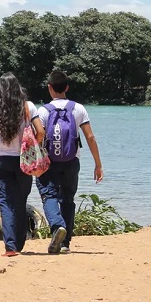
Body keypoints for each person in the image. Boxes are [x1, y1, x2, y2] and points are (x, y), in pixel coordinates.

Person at [35, 70, 104, 254]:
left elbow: (38, 137)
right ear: (67, 87)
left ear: (49, 88)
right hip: (72, 160)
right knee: (68, 199)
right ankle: (65, 244)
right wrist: (98, 164)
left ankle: (57, 226)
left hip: (49, 162)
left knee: (48, 195)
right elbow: (90, 136)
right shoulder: (78, 108)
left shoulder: (43, 111)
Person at [0, 72, 45, 257]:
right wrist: (34, 149)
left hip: (2, 161)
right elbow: (40, 131)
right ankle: (19, 243)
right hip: (24, 161)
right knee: (20, 201)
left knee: (5, 203)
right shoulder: (29, 108)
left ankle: (10, 247)